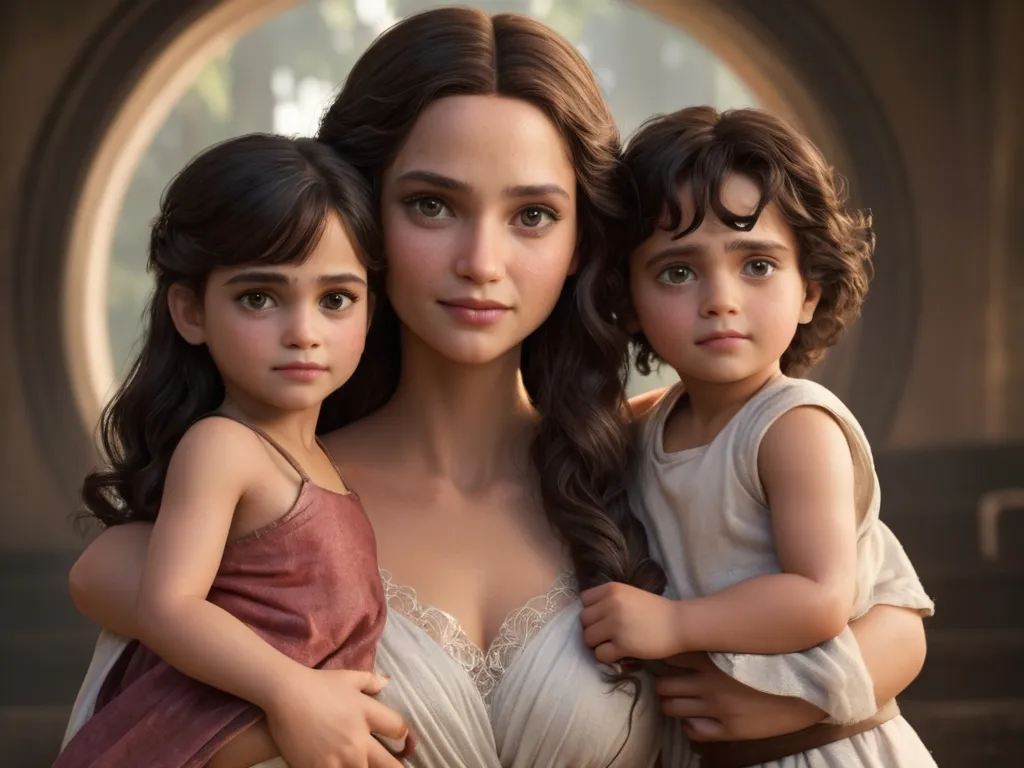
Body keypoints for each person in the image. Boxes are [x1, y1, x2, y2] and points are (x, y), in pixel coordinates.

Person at [62, 10, 932, 768]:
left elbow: (889, 611)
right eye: (433, 206)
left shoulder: (654, 464)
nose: (481, 264)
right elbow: (128, 683)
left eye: (533, 215)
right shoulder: (253, 498)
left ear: (585, 240)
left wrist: (801, 704)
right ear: (362, 214)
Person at [580, 106, 935, 766]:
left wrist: (676, 625)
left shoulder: (794, 427)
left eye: (758, 266)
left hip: (828, 749)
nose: (721, 298)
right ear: (626, 302)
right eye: (678, 272)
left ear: (810, 290)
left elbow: (820, 595)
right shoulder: (651, 427)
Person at [54, 133, 414, 767]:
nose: (303, 332)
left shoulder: (327, 467)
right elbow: (171, 607)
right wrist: (293, 694)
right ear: (192, 312)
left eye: (335, 300)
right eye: (259, 298)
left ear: (369, 312)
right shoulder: (223, 446)